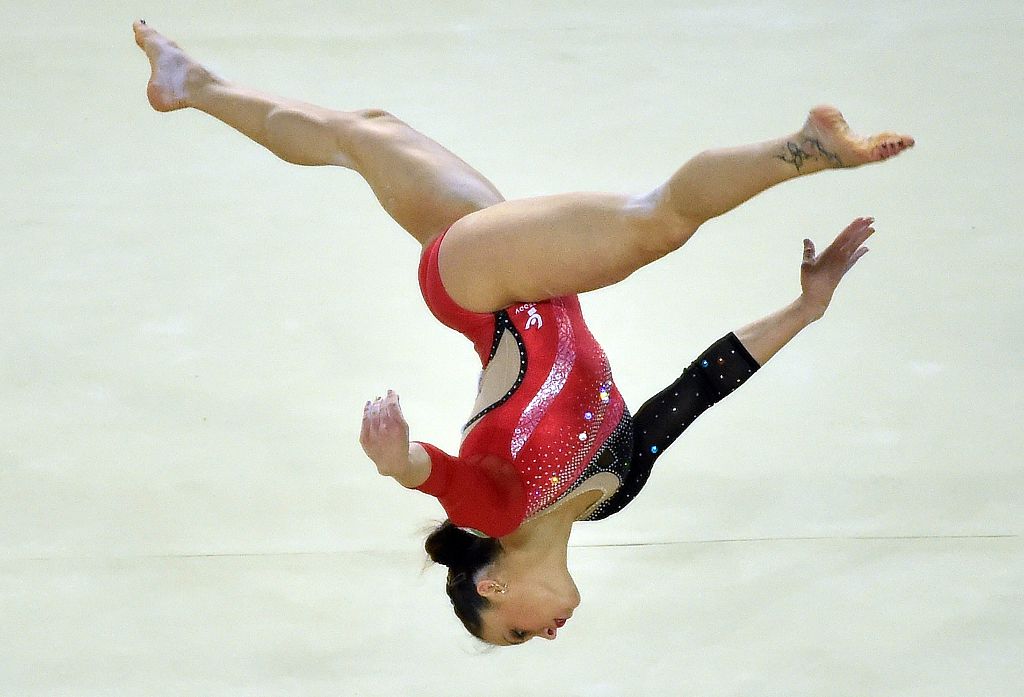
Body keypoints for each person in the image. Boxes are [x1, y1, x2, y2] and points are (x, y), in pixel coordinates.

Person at [132, 20, 914, 646]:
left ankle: (808, 148)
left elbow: (433, 475)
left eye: (513, 634)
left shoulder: (500, 512)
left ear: (490, 585)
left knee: (659, 223)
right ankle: (193, 84)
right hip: (515, 277)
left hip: (487, 287)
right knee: (363, 132)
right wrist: (805, 308)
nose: (544, 636)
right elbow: (700, 386)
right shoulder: (615, 492)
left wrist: (394, 460)